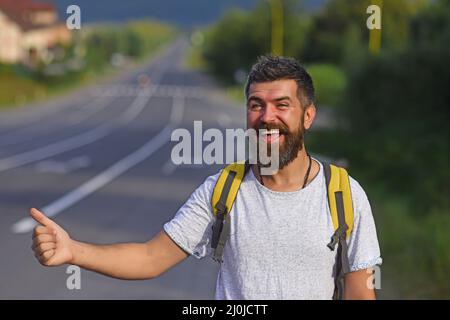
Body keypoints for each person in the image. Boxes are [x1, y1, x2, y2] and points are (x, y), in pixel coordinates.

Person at [31, 55, 382, 299]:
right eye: (256, 104)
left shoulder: (344, 195)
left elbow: (358, 292)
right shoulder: (222, 191)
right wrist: (73, 251)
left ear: (308, 116)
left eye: (282, 105)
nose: (266, 116)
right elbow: (151, 258)